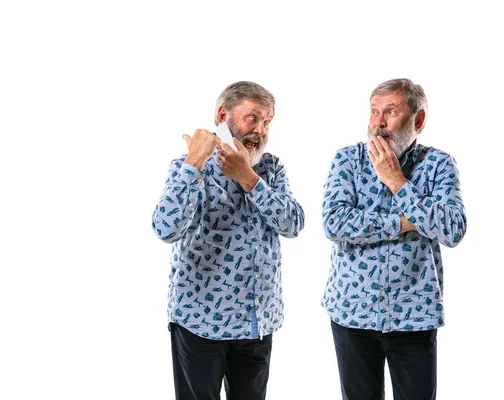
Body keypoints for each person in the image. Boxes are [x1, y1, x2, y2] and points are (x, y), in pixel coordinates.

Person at [152, 81, 304, 400]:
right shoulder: (189, 168)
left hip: (257, 323)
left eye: (267, 122)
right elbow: (165, 228)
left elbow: (293, 224)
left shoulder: (272, 169)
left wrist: (249, 178)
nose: (261, 130)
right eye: (253, 118)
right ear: (223, 115)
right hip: (199, 324)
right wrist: (193, 163)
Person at [321, 78, 467, 400]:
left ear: (418, 120)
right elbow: (334, 223)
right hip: (352, 313)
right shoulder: (347, 160)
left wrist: (397, 181)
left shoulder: (439, 165)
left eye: (391, 112)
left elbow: (453, 229)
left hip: (414, 315)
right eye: (374, 112)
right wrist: (404, 223)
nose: (379, 123)